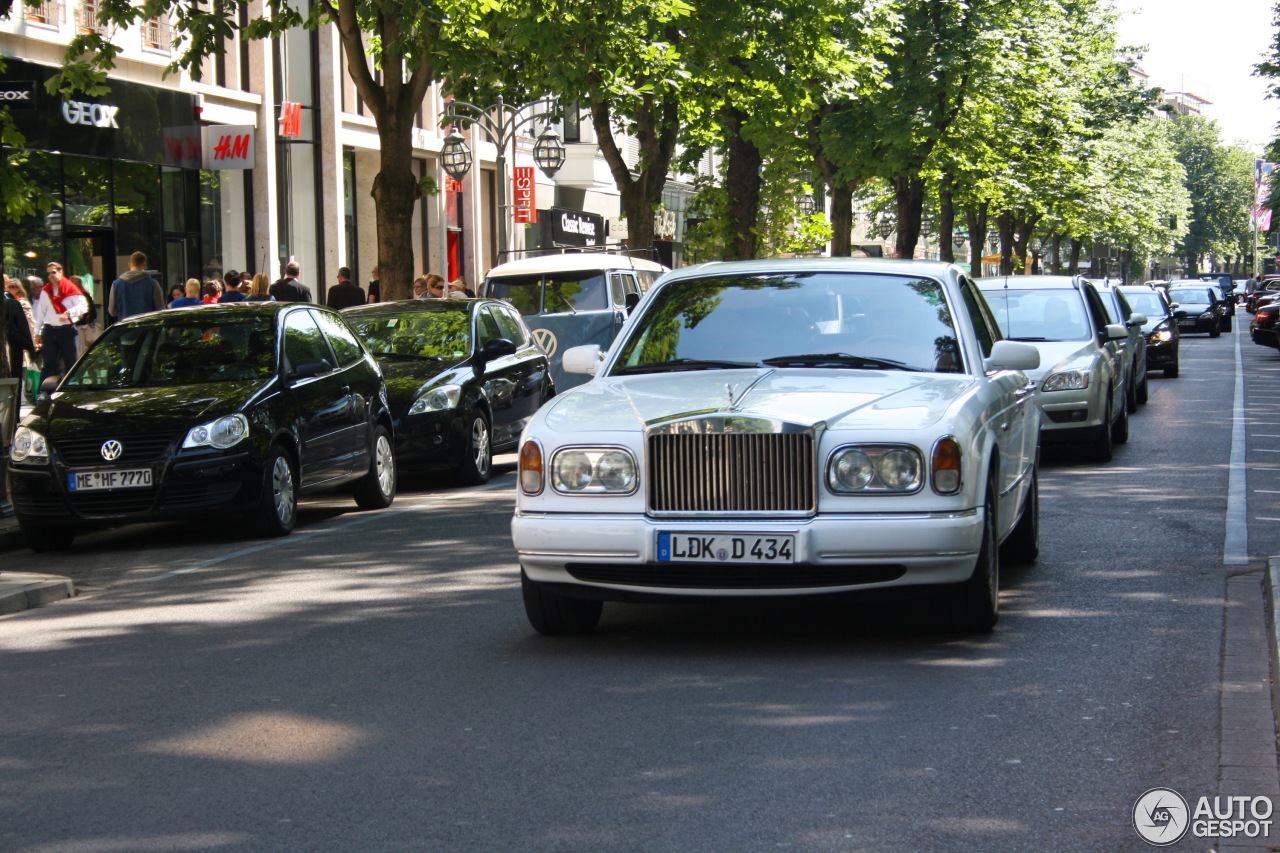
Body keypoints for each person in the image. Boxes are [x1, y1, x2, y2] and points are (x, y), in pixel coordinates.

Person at [32, 261, 87, 387]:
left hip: (67, 330)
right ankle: (44, 391)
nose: (51, 275)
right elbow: (41, 314)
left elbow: (84, 306)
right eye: (48, 273)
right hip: (50, 330)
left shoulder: (71, 288)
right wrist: (37, 333)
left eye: (53, 272)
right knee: (49, 363)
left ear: (60, 272)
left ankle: (71, 388)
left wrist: (69, 313)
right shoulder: (45, 291)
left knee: (71, 362)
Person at [107, 251, 165, 323]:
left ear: (129, 265)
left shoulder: (116, 284)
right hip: (147, 329)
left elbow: (112, 312)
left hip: (125, 329)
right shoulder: (153, 284)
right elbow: (160, 310)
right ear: (145, 265)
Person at [2, 275, 36, 383]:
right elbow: (23, 329)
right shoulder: (12, 304)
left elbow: (26, 327)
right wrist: (31, 349)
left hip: (11, 350)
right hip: (10, 352)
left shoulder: (13, 304)